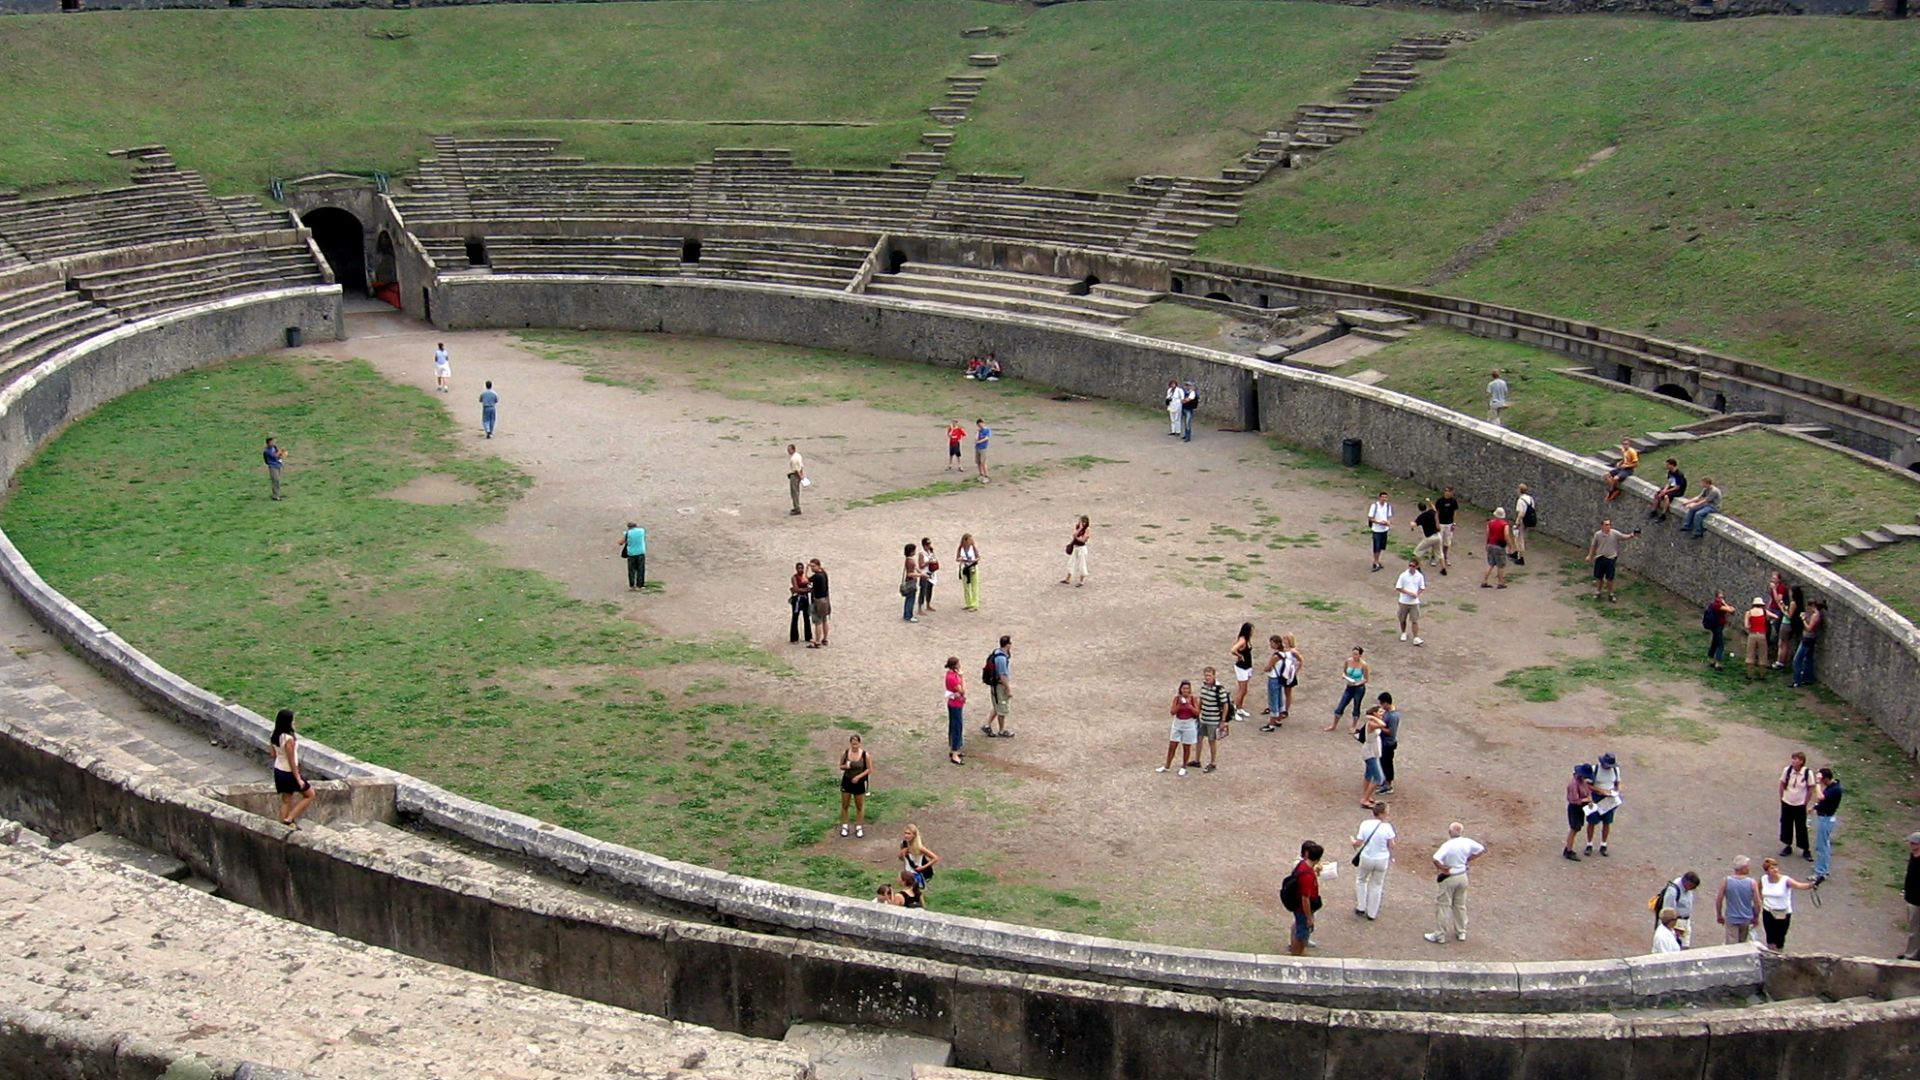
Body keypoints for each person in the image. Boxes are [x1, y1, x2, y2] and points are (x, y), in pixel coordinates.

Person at [1424, 822, 1485, 944]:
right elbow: (1481, 849)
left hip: (1450, 877)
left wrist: (1443, 868)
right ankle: (1461, 932)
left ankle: (1439, 935)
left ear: (1450, 832)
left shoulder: (1448, 845)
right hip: (1462, 876)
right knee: (1460, 905)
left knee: (1443, 905)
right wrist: (1468, 860)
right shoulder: (1467, 842)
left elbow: (1435, 859)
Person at [1759, 857, 1819, 951]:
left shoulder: (1785, 880)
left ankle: (1779, 954)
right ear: (1766, 871)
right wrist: (1761, 900)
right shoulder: (1763, 879)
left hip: (1782, 913)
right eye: (1772, 868)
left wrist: (1810, 885)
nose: (1775, 870)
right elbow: (1759, 889)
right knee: (1770, 937)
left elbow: (1799, 885)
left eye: (1776, 867)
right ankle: (1770, 954)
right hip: (1768, 911)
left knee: (1780, 937)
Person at [269, 708, 316, 827]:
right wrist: (298, 778)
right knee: (310, 794)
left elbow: (273, 754)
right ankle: (289, 818)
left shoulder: (274, 735)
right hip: (288, 772)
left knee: (286, 800)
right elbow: (291, 761)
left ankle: (282, 825)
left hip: (278, 770)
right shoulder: (288, 739)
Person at [1351, 802, 1396, 920]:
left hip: (1367, 857)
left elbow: (1359, 842)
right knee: (1377, 885)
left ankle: (1361, 907)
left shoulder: (1365, 824)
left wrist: (1353, 842)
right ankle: (1372, 913)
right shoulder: (1387, 827)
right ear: (1382, 814)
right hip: (1382, 859)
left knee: (1361, 880)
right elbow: (1392, 845)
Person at [1584, 519, 1639, 603]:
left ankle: (1611, 594)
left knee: (1610, 578)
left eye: (1609, 524)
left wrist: (1632, 535)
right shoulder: (1597, 534)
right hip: (1600, 557)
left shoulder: (1614, 533)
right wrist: (1590, 555)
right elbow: (1593, 545)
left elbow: (1623, 537)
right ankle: (1598, 592)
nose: (1608, 526)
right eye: (1606, 525)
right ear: (1602, 526)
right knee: (1599, 577)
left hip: (1610, 558)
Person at [1285, 841, 1325, 957]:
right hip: (1302, 909)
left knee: (1297, 927)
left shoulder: (1302, 865)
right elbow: (1305, 899)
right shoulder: (1307, 875)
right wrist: (1309, 917)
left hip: (1297, 905)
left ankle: (1295, 951)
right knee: (1301, 935)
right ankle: (1297, 954)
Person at [1583, 751, 1622, 857]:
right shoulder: (1594, 769)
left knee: (1607, 822)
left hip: (1609, 799)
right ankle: (1589, 844)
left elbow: (1618, 783)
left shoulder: (1615, 770)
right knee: (1591, 821)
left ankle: (1603, 844)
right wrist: (1600, 790)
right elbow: (1587, 785)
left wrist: (1617, 791)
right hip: (1595, 797)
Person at [1715, 856, 1761, 944]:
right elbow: (1757, 902)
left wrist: (1719, 914)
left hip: (1731, 918)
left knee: (1731, 945)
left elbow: (1719, 899)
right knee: (1743, 943)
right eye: (1747, 866)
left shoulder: (1726, 881)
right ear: (1743, 868)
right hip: (1746, 918)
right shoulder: (1752, 883)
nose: (1749, 868)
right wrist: (1756, 916)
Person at [1159, 679, 1200, 776]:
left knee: (1186, 747)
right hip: (1178, 723)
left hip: (1189, 724)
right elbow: (1172, 712)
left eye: (1187, 688)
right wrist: (1180, 705)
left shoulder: (1193, 699)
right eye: (1184, 688)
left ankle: (1183, 766)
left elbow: (1197, 713)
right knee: (1172, 745)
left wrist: (1189, 706)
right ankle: (1167, 766)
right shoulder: (1177, 699)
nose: (1185, 690)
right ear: (1180, 689)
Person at [1778, 751, 1813, 861]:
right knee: (1786, 824)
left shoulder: (1807, 773)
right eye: (1793, 758)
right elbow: (1782, 783)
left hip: (1799, 804)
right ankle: (1787, 845)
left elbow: (1810, 788)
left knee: (1801, 826)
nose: (1793, 761)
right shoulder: (1787, 770)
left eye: (1796, 759)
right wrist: (1782, 797)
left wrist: (1806, 801)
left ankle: (1805, 849)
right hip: (1787, 801)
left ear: (1802, 761)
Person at [1196, 666, 1232, 773]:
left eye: (1209, 675)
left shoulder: (1219, 689)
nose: (1207, 677)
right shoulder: (1204, 686)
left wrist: (1223, 721)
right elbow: (1201, 701)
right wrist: (1198, 713)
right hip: (1203, 718)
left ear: (1214, 676)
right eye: (1206, 675)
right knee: (1199, 739)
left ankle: (1213, 762)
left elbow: (1225, 705)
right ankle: (1197, 760)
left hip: (1213, 720)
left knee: (1211, 741)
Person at [1325, 646, 1369, 731]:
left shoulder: (1363, 665)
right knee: (1341, 705)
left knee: (1356, 706)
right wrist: (1345, 676)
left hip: (1359, 688)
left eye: (1356, 654)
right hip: (1349, 686)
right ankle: (1334, 725)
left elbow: (1366, 679)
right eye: (1353, 654)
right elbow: (1345, 672)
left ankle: (1354, 726)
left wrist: (1357, 683)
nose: (1354, 656)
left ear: (1360, 655)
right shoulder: (1348, 661)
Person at [836, 734, 871, 838]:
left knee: (859, 806)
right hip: (847, 781)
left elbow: (869, 769)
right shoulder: (846, 753)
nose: (854, 746)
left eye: (856, 743)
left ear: (859, 743)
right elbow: (840, 766)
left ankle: (859, 826)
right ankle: (845, 826)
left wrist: (858, 777)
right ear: (850, 743)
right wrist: (846, 766)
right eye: (853, 743)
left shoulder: (865, 755)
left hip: (859, 783)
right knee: (845, 804)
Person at [1654, 871, 1701, 947]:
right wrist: (1674, 928)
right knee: (1675, 947)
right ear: (1687, 882)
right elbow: (1668, 912)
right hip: (1676, 923)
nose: (1693, 889)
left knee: (1685, 947)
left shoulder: (1687, 890)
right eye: (1692, 886)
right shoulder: (1672, 891)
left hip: (1685, 922)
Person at [1811, 767, 1841, 881]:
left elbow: (1821, 796)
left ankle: (1820, 872)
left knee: (1822, 846)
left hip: (1826, 819)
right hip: (1825, 817)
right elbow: (1825, 801)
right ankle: (1822, 867)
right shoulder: (1832, 786)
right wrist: (1815, 807)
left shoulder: (1835, 789)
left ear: (1826, 779)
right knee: (1824, 845)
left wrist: (1817, 783)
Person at [1355, 704, 1387, 809]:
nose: (1382, 713)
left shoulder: (1373, 722)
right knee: (1379, 778)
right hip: (1370, 753)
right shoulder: (1372, 724)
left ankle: (1366, 796)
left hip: (1372, 751)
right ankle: (1365, 799)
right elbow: (1383, 724)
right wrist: (1373, 717)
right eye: (1380, 712)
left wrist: (1373, 717)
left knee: (1368, 775)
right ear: (1374, 713)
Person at [1561, 762, 1594, 861]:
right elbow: (1574, 800)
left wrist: (1589, 798)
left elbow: (1588, 791)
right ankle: (1568, 850)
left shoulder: (1582, 781)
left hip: (1580, 807)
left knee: (1576, 828)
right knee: (1574, 829)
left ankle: (1568, 848)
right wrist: (1586, 799)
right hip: (1575, 808)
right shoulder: (1573, 784)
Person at [983, 635, 1012, 738]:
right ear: (1007, 645)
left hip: (995, 685)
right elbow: (1002, 676)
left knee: (997, 706)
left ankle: (987, 725)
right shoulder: (1002, 659)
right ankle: (1002, 730)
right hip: (1000, 686)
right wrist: (1008, 689)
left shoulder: (996, 652)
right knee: (1002, 708)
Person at [1791, 601, 1824, 687]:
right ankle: (1808, 678)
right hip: (1810, 639)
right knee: (1808, 658)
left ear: (1813, 606)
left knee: (1797, 660)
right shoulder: (1816, 615)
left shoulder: (1815, 615)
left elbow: (1809, 628)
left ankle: (1797, 680)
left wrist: (1803, 619)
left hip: (1807, 639)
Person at [1394, 557, 1426, 645]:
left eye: (1413, 566)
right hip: (1403, 601)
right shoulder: (1403, 575)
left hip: (1414, 602)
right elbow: (1398, 587)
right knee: (1402, 619)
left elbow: (1422, 587)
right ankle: (1403, 632)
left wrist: (1417, 594)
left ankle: (1416, 637)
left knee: (1415, 620)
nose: (1411, 567)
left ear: (1417, 566)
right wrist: (1409, 593)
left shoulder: (1419, 576)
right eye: (1410, 565)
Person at [1375, 691, 1401, 795]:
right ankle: (1384, 781)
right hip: (1384, 742)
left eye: (1382, 703)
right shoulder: (1388, 713)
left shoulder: (1393, 716)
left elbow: (1391, 732)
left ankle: (1388, 785)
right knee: (1383, 762)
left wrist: (1379, 726)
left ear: (1386, 703)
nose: (1381, 706)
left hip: (1388, 744)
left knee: (1387, 764)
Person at [901, 824, 941, 891]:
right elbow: (901, 858)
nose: (906, 835)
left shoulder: (919, 848)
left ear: (914, 835)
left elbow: (935, 858)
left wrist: (923, 867)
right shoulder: (904, 845)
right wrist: (902, 852)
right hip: (907, 873)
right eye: (905, 833)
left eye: (909, 834)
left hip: (915, 874)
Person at [1774, 584, 1805, 671]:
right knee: (1784, 643)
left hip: (1786, 624)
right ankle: (1782, 661)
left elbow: (1789, 616)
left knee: (1783, 644)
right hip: (1790, 625)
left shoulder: (1793, 603)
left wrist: (1781, 608)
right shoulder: (1798, 603)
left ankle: (1780, 662)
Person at [943, 657, 967, 766]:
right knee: (957, 727)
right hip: (955, 705)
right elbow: (962, 691)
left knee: (955, 726)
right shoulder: (953, 677)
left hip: (954, 704)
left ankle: (954, 749)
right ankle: (955, 754)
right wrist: (962, 677)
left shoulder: (950, 674)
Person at [1229, 622, 1255, 719]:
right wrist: (1240, 656)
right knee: (1242, 690)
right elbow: (1233, 650)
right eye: (1251, 631)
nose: (1252, 633)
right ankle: (1233, 711)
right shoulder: (1243, 640)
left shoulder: (1247, 639)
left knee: (1245, 690)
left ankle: (1240, 707)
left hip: (1247, 667)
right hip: (1242, 668)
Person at [1702, 590, 1734, 670]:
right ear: (1716, 597)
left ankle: (1711, 659)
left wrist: (1725, 604)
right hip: (1717, 626)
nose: (1721, 599)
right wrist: (1725, 603)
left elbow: (1731, 611)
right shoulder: (1716, 605)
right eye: (1720, 597)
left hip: (1717, 626)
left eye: (1722, 597)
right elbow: (1731, 610)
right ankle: (1718, 663)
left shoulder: (1716, 605)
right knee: (1720, 645)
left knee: (1715, 642)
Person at [1411, 499, 1444, 572]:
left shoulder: (1421, 517)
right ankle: (1443, 568)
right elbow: (1433, 507)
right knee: (1439, 553)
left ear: (1419, 509)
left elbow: (1414, 525)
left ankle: (1418, 567)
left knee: (1417, 552)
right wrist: (1429, 501)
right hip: (1438, 535)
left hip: (1430, 537)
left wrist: (1411, 524)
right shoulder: (1432, 512)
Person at [1901, 831, 1920, 961]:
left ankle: (1911, 957)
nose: (1912, 845)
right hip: (1911, 897)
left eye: (1915, 843)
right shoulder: (1913, 856)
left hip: (1917, 900)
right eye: (1911, 842)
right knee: (1913, 928)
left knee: (1915, 931)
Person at [1481, 508, 1510, 589]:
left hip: (1490, 544)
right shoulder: (1505, 525)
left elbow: (1488, 534)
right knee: (1501, 565)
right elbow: (1506, 536)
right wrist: (1510, 545)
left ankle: (1484, 581)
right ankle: (1500, 583)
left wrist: (1487, 544)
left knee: (1490, 564)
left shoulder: (1490, 523)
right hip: (1499, 546)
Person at [1604, 436, 1640, 503]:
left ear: (1629, 444)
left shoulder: (1632, 452)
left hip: (1628, 470)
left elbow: (1636, 464)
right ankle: (1615, 489)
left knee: (1615, 478)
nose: (1625, 445)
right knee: (1606, 475)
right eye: (1624, 444)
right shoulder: (1623, 450)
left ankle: (1611, 491)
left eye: (1626, 444)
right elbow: (1624, 459)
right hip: (1621, 468)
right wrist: (1620, 463)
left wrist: (1627, 466)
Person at [1261, 634, 1286, 723]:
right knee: (1279, 698)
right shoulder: (1283, 653)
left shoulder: (1275, 656)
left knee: (1273, 700)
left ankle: (1272, 722)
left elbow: (1267, 668)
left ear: (1277, 644)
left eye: (1272, 643)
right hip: (1280, 678)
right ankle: (1279, 718)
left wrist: (1265, 668)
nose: (1270, 645)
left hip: (1273, 678)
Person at [1366, 491, 1393, 572]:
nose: (1384, 499)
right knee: (1376, 546)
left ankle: (1377, 560)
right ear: (1379, 497)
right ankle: (1375, 562)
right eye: (1383, 497)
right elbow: (1370, 518)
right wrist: (1379, 522)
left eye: (1385, 497)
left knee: (1381, 546)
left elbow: (1389, 517)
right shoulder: (1374, 506)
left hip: (1384, 529)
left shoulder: (1387, 506)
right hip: (1377, 529)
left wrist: (1388, 522)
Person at [1435, 487, 1461, 570]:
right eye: (1446, 491)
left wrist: (1454, 523)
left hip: (1449, 524)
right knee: (1437, 541)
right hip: (1441, 523)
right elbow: (1437, 512)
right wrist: (1437, 523)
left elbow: (1455, 512)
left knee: (1447, 542)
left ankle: (1445, 557)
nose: (1447, 493)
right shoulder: (1440, 501)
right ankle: (1436, 558)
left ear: (1452, 493)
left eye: (1449, 491)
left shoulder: (1453, 501)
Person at [1742, 596, 1770, 671]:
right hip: (1762, 635)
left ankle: (1750, 673)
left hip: (1752, 634)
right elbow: (1776, 616)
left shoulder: (1748, 613)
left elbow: (1746, 626)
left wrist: (1751, 626)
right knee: (1763, 655)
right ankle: (1762, 673)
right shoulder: (1764, 612)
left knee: (1750, 655)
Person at [807, 559, 831, 647]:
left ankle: (817, 641)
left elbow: (805, 580)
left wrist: (806, 570)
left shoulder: (817, 576)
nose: (812, 568)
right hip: (825, 600)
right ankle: (825, 639)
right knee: (824, 620)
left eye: (813, 566)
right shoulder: (824, 574)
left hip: (817, 601)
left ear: (818, 565)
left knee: (818, 622)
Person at [1061, 515, 1090, 586]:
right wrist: (1080, 529)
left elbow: (1083, 540)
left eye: (1085, 522)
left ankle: (1081, 581)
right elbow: (1074, 534)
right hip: (1075, 547)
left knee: (1082, 564)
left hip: (1081, 548)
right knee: (1071, 562)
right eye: (1082, 522)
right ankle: (1068, 579)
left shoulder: (1087, 529)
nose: (1083, 523)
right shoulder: (1078, 527)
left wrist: (1076, 537)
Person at [790, 561, 814, 642]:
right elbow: (796, 589)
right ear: (796, 569)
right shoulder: (794, 577)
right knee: (795, 617)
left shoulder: (804, 577)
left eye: (801, 568)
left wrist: (802, 590)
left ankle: (808, 636)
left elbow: (810, 586)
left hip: (805, 599)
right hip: (797, 599)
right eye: (799, 568)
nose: (800, 570)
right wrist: (806, 590)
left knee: (806, 617)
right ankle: (794, 638)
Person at [619, 521, 648, 591]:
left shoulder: (628, 533)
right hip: (640, 552)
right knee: (641, 569)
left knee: (631, 570)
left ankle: (632, 585)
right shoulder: (642, 531)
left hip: (631, 553)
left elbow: (621, 543)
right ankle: (639, 585)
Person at [1512, 484, 1536, 565]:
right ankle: (1517, 553)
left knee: (1519, 539)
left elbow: (1521, 513)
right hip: (1528, 520)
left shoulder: (1520, 500)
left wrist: (1517, 523)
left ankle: (1520, 558)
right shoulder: (1530, 499)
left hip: (1522, 521)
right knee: (1520, 538)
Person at [956, 534, 981, 612]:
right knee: (966, 587)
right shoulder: (961, 548)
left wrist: (973, 560)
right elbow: (957, 558)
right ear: (965, 540)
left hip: (972, 567)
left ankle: (975, 604)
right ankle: (968, 603)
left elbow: (978, 557)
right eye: (970, 539)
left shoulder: (973, 547)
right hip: (965, 567)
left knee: (974, 586)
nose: (971, 541)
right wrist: (961, 559)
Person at [900, 543, 922, 623]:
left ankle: (907, 614)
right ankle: (908, 616)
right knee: (911, 599)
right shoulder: (910, 561)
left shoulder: (909, 560)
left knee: (909, 599)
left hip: (910, 581)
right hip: (911, 581)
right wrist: (920, 575)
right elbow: (910, 573)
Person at [917, 536, 940, 615]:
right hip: (924, 573)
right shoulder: (921, 554)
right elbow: (921, 566)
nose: (929, 545)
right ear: (924, 545)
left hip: (931, 573)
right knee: (923, 590)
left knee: (930, 589)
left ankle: (928, 604)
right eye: (927, 544)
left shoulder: (931, 551)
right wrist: (928, 562)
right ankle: (920, 608)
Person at [262, 436, 288, 501]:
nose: (273, 443)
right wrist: (281, 451)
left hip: (278, 465)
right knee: (275, 480)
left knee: (278, 481)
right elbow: (275, 455)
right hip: (272, 467)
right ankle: (275, 496)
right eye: (272, 442)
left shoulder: (274, 447)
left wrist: (282, 454)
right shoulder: (267, 451)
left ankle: (277, 494)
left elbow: (278, 455)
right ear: (268, 443)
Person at [786, 444, 806, 515]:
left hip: (794, 475)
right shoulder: (798, 455)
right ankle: (796, 507)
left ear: (793, 449)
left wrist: (800, 476)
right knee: (797, 491)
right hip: (798, 475)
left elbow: (796, 469)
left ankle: (797, 508)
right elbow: (801, 466)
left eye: (789, 450)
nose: (788, 451)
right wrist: (802, 475)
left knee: (794, 493)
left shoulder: (793, 459)